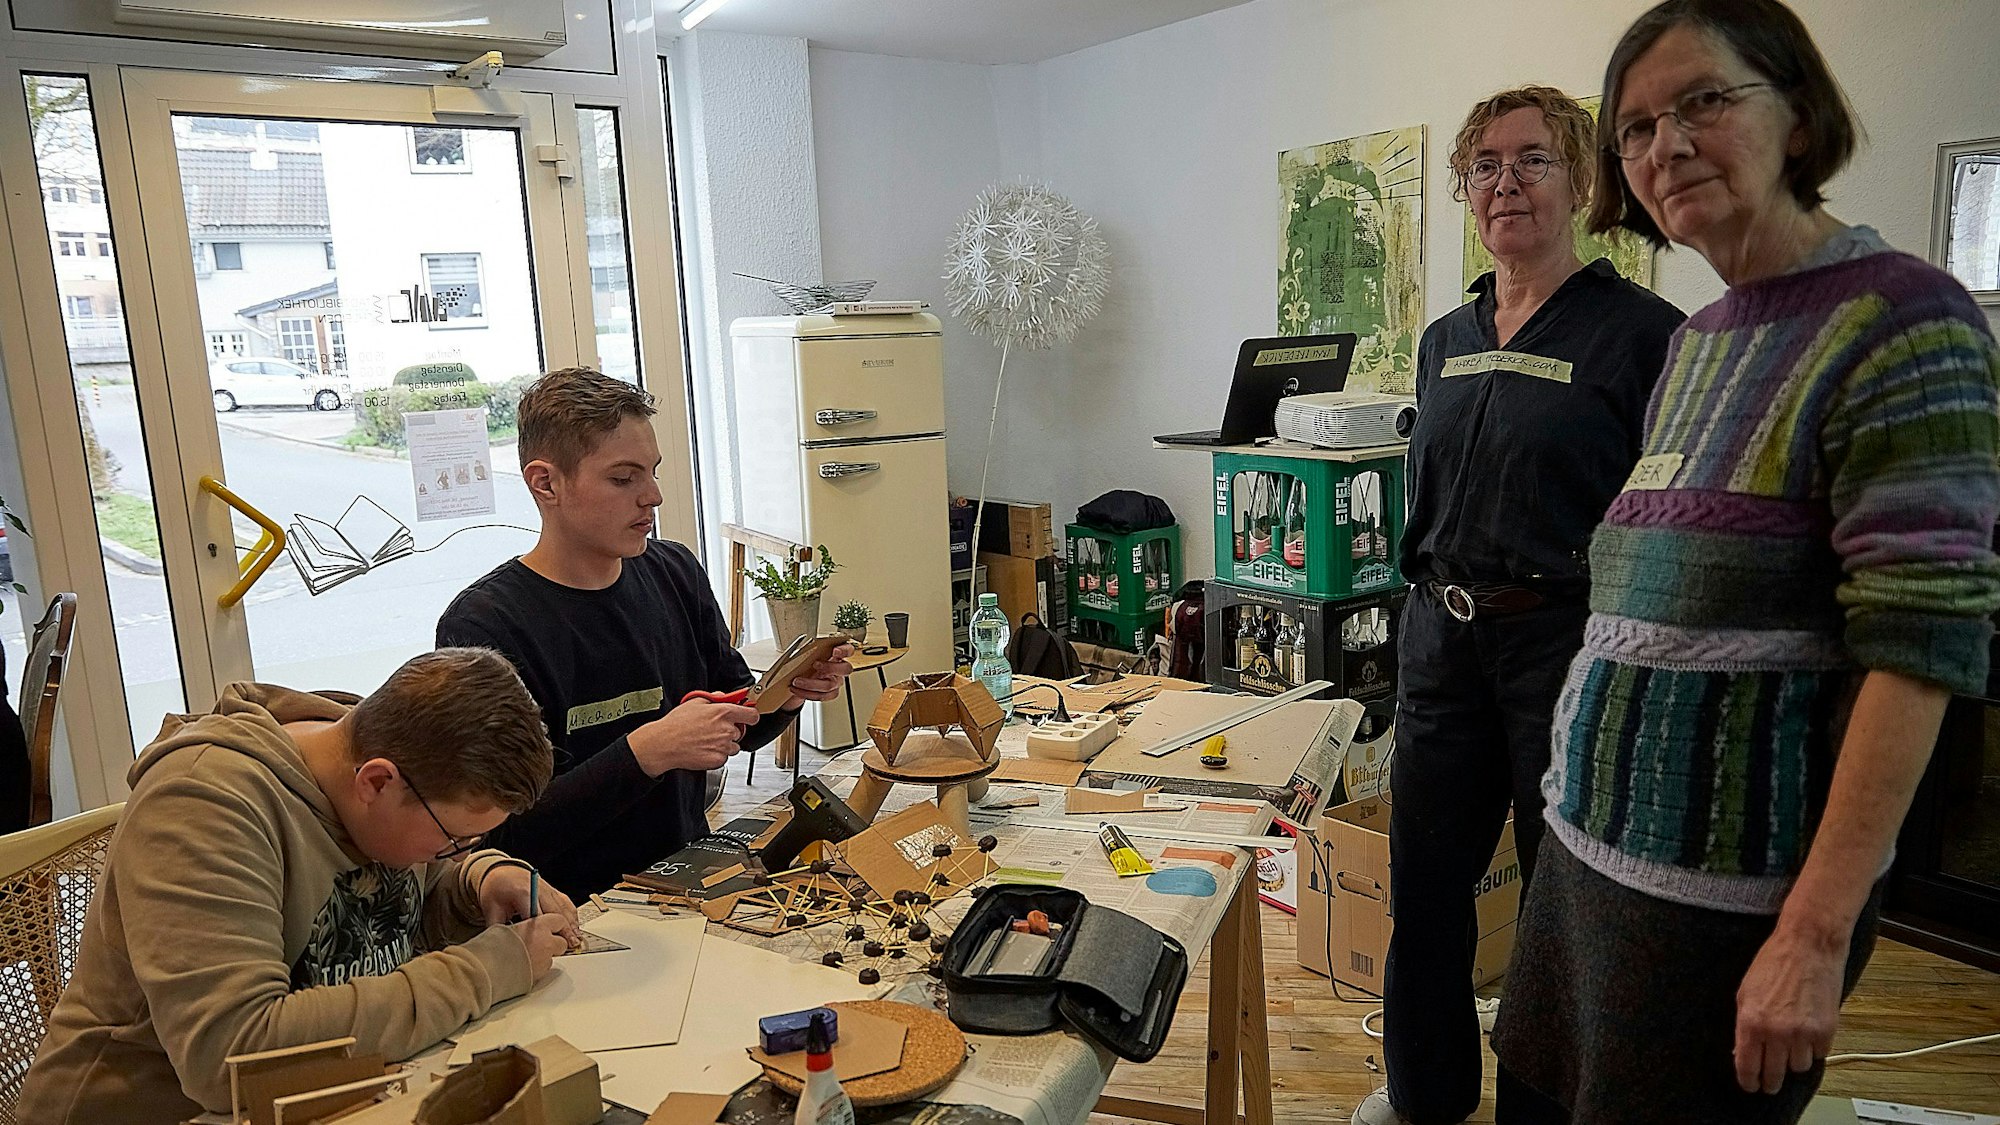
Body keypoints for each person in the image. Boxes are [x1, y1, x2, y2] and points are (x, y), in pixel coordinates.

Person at [1490, 2, 2000, 1122]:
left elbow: (1917, 652)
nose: (1663, 145)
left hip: (1724, 898)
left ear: (1800, 119)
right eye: (1632, 127)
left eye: (1703, 101)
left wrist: (1813, 937)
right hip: (1585, 865)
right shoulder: (1696, 341)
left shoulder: (1904, 321)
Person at [1357, 85, 1685, 1125]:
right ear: (1465, 188)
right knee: (1426, 897)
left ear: (1580, 182)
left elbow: (1668, 518)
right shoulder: (1443, 338)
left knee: (1557, 916)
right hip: (1438, 649)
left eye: (1532, 160)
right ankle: (1424, 1101)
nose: (1505, 183)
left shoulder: (1643, 335)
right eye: (1485, 165)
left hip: (1565, 650)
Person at [19, 648, 582, 1125]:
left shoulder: (379, 757)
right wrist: (485, 971)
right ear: (377, 781)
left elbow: (406, 893)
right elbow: (235, 1058)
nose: (455, 850)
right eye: (454, 836)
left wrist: (478, 878)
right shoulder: (202, 807)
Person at [437, 368, 854, 896]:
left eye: (653, 472)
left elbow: (742, 729)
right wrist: (645, 752)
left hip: (684, 881)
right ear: (546, 483)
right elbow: (500, 837)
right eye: (623, 478)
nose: (653, 496)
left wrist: (785, 697)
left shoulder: (674, 572)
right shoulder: (483, 627)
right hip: (566, 912)